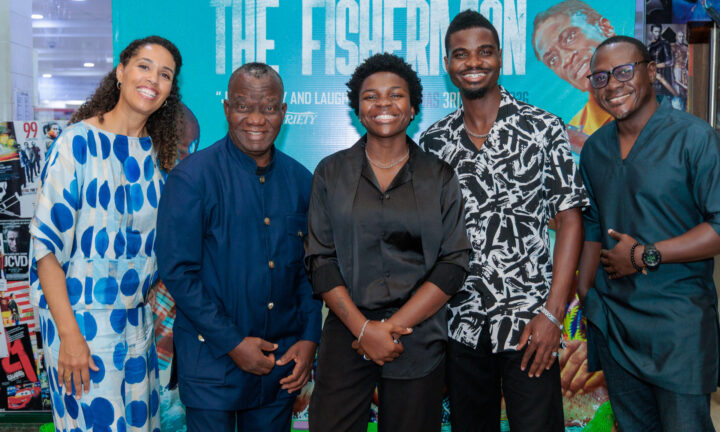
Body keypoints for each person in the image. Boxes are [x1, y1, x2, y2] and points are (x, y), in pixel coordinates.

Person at [420, 10, 587, 432]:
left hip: (530, 324)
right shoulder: (434, 142)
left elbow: (570, 221)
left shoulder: (543, 128)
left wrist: (553, 315)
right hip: (460, 323)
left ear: (500, 57)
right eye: (461, 54)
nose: (473, 62)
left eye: (484, 52)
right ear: (447, 64)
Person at [577, 36, 720, 431]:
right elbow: (592, 223)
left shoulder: (694, 138)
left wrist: (644, 255)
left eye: (624, 72)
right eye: (601, 77)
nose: (612, 85)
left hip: (677, 323)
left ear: (651, 71)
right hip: (614, 320)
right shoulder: (595, 150)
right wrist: (586, 293)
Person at [306, 53, 470, 432]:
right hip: (347, 332)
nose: (383, 104)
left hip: (418, 335)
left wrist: (391, 327)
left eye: (396, 95)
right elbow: (320, 260)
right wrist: (365, 330)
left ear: (413, 108)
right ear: (357, 110)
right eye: (371, 96)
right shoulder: (331, 172)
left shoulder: (439, 176)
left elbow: (453, 263)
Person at [29, 35, 184, 431]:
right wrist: (69, 336)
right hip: (79, 325)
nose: (153, 79)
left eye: (165, 74)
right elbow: (46, 250)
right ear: (121, 71)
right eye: (144, 66)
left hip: (139, 327)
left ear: (170, 91)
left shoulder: (160, 158)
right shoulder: (75, 144)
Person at [156, 62, 322, 432]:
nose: (257, 119)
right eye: (244, 106)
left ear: (283, 111)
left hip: (279, 366)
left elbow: (311, 270)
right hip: (211, 362)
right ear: (227, 108)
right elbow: (178, 272)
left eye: (269, 107)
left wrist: (310, 338)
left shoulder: (301, 181)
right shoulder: (192, 178)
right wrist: (233, 343)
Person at [532, 0, 615, 136]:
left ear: (605, 28)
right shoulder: (572, 137)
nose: (565, 60)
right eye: (553, 59)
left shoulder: (648, 97)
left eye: (569, 37)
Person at [647, 24, 676, 96]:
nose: (657, 34)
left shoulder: (664, 44)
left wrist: (654, 66)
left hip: (662, 78)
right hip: (650, 78)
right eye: (655, 31)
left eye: (659, 31)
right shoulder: (649, 46)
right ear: (651, 32)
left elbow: (670, 62)